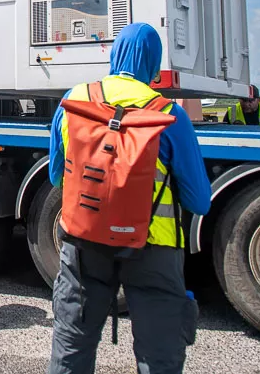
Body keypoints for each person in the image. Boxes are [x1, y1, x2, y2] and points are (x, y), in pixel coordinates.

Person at [47, 23, 212, 374]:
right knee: (159, 357)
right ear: (154, 64)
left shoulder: (73, 101)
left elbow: (56, 176)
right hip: (154, 250)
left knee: (70, 346)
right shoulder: (170, 114)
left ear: (114, 54)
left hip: (83, 242)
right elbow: (200, 201)